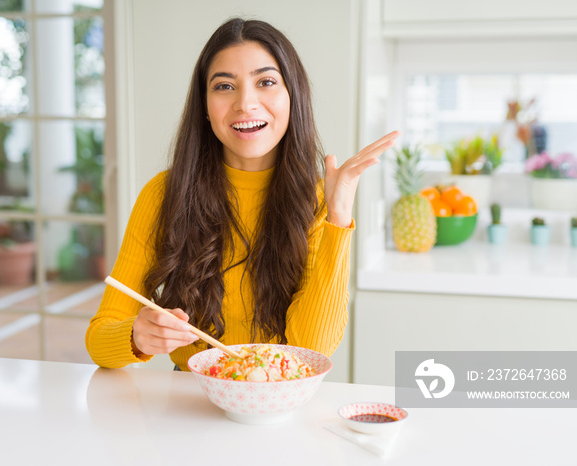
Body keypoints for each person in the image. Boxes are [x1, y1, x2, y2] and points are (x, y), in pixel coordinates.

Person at [86, 18, 398, 371]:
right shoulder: (164, 194)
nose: (245, 103)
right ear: (204, 105)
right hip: (189, 404)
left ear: (293, 95)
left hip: (279, 399)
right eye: (224, 86)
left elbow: (311, 349)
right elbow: (99, 341)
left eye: (266, 82)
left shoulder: (318, 200)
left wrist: (338, 215)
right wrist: (137, 336)